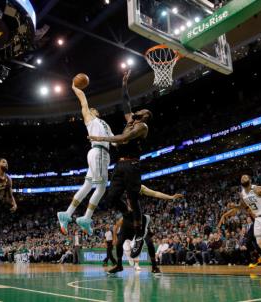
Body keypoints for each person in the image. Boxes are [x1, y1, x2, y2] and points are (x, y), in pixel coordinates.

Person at [88, 70, 153, 258]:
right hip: (120, 165)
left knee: (133, 199)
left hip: (132, 165)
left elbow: (124, 138)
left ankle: (140, 233)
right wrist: (124, 84)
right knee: (112, 198)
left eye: (143, 111)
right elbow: (126, 103)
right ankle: (130, 216)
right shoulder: (131, 121)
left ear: (146, 116)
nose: (139, 110)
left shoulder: (142, 127)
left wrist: (100, 137)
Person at [58, 83, 113, 235]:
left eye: (93, 109)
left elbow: (115, 140)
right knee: (101, 187)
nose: (91, 109)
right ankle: (86, 218)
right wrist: (75, 87)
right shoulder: (90, 119)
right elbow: (83, 100)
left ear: (98, 112)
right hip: (99, 152)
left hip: (100, 154)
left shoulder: (105, 124)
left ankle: (66, 214)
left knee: (87, 186)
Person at [108, 185, 183, 274]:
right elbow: (116, 224)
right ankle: (119, 266)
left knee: (149, 242)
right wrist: (115, 237)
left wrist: (171, 197)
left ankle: (154, 266)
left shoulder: (139, 187)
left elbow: (155, 193)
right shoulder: (122, 184)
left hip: (138, 219)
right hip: (127, 221)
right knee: (119, 243)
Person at [221, 175, 261, 273]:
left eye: (245, 177)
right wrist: (234, 206)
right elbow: (243, 206)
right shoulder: (243, 193)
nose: (243, 178)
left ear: (250, 180)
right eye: (242, 178)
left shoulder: (256, 188)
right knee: (259, 242)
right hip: (258, 218)